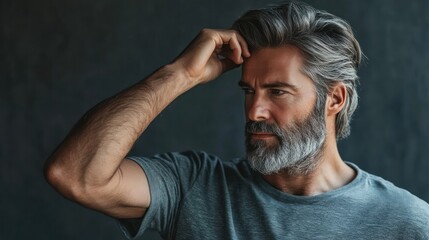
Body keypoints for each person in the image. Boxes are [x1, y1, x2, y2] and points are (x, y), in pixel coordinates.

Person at [44, 1, 429, 239]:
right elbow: (74, 175)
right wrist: (180, 75)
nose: (255, 111)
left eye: (277, 91)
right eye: (249, 91)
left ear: (335, 98)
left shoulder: (407, 222)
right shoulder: (192, 187)